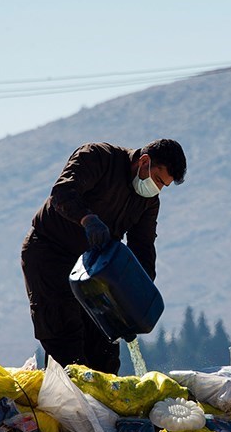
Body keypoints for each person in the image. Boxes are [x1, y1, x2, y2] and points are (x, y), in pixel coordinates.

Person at [21, 139, 187, 375]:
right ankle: (69, 406)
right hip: (50, 253)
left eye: (163, 186)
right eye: (158, 180)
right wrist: (87, 218)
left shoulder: (148, 201)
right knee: (64, 336)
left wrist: (137, 296)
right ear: (144, 161)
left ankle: (104, 408)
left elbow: (143, 248)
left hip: (94, 268)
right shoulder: (98, 157)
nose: (157, 188)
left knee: (104, 343)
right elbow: (62, 193)